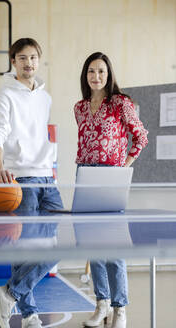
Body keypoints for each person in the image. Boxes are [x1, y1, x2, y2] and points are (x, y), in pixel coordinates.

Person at [0, 38, 63, 328]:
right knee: (25, 249)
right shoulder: (5, 95)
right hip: (21, 179)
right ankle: (29, 314)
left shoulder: (46, 97)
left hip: (48, 177)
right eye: (22, 58)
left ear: (38, 60)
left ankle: (9, 294)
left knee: (57, 244)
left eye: (33, 57)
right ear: (13, 61)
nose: (28, 63)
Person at [74, 52, 148, 328]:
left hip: (111, 176)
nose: (96, 77)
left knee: (114, 246)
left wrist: (123, 167)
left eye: (101, 72)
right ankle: (101, 303)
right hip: (84, 174)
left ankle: (120, 308)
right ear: (86, 75)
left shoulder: (120, 103)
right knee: (93, 245)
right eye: (91, 71)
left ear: (109, 74)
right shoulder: (79, 108)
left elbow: (140, 137)